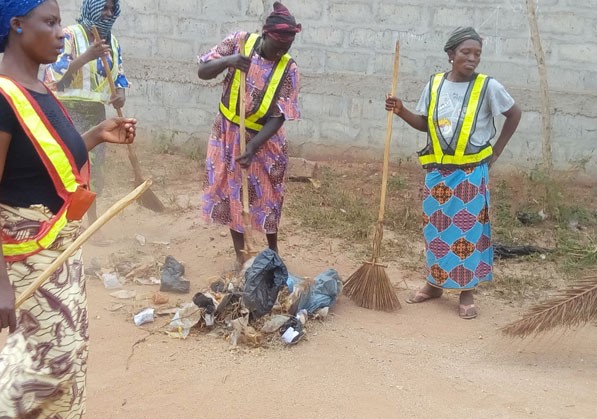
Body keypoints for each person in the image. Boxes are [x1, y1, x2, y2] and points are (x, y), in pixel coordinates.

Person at [0, 0, 136, 416]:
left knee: (67, 359)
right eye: (51, 22)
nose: (62, 32)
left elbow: (41, 158)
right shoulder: (4, 96)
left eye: (61, 22)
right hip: (26, 260)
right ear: (17, 25)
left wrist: (95, 134)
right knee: (37, 371)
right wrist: (1, 283)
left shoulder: (40, 90)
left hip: (59, 253)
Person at [385, 27, 521, 319]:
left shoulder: (487, 86)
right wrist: (401, 110)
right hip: (438, 172)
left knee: (468, 232)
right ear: (451, 55)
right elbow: (425, 125)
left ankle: (466, 292)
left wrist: (495, 153)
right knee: (434, 229)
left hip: (471, 172)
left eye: (477, 54)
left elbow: (514, 113)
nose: (472, 59)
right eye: (466, 53)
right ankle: (434, 284)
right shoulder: (435, 85)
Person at [197, 1, 301, 269]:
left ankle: (272, 254)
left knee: (269, 197)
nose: (279, 53)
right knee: (232, 193)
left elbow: (280, 115)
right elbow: (203, 71)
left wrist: (254, 144)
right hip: (227, 133)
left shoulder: (289, 69)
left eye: (286, 48)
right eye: (276, 47)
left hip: (265, 139)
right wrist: (229, 61)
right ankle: (241, 254)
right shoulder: (238, 43)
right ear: (265, 34)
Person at [44, 0, 129, 240]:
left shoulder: (112, 42)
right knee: (68, 169)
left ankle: (91, 226)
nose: (108, 14)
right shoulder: (70, 35)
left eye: (113, 9)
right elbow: (53, 74)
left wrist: (119, 96)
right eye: (104, 8)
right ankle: (60, 225)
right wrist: (87, 56)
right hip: (67, 111)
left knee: (93, 171)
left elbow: (120, 76)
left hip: (96, 114)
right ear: (92, 7)